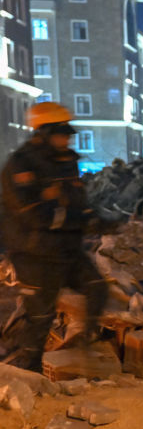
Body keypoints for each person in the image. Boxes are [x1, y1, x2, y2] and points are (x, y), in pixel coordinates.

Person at [0, 102, 110, 373]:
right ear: (43, 134)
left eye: (67, 134)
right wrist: (75, 219)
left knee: (97, 287)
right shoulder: (21, 165)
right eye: (61, 134)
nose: (66, 139)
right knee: (40, 316)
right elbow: (33, 214)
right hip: (34, 253)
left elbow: (75, 202)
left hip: (66, 249)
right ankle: (29, 373)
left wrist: (95, 219)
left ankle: (85, 347)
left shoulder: (66, 162)